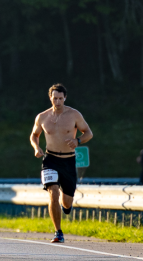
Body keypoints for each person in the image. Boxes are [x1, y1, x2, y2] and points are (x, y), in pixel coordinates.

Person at [29, 83, 94, 243]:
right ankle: (58, 232)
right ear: (50, 98)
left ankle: (66, 207)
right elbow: (34, 135)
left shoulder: (74, 115)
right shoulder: (42, 117)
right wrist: (36, 147)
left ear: (65, 98)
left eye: (60, 98)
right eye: (54, 98)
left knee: (66, 201)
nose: (57, 101)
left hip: (68, 160)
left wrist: (77, 140)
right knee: (53, 193)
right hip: (50, 159)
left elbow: (89, 133)